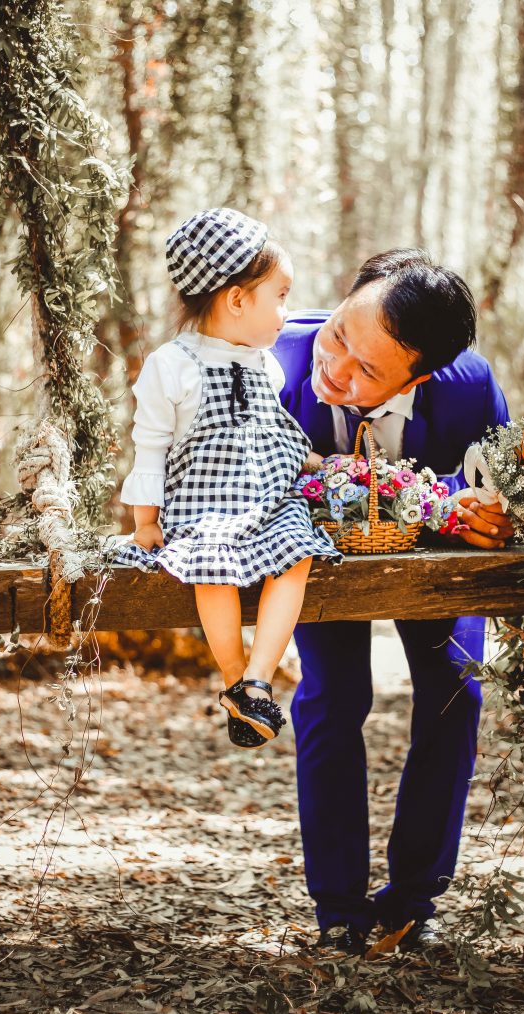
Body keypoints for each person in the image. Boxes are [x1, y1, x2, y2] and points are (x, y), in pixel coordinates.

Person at [270, 249, 514, 954]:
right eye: (340, 333)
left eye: (368, 369)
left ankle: (413, 901)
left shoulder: (468, 387)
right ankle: (338, 907)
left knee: (455, 695)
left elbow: (499, 494)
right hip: (318, 562)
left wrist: (489, 513)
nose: (336, 369)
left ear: (421, 374)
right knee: (333, 696)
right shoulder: (273, 363)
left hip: (440, 567)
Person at [115, 207, 341, 745]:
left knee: (298, 553)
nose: (286, 314)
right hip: (205, 507)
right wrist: (147, 521)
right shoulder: (173, 365)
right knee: (211, 567)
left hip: (267, 501)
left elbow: (277, 436)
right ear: (237, 300)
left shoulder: (267, 366)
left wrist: (325, 468)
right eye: (280, 296)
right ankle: (234, 678)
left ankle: (258, 679)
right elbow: (150, 447)